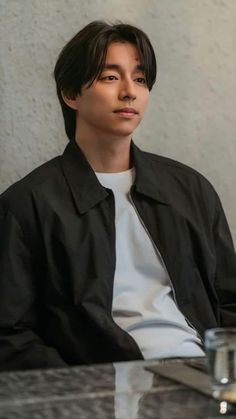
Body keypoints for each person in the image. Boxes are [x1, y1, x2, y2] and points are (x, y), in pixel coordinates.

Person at [0, 21, 236, 372]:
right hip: (103, 385)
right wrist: (83, 388)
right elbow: (10, 334)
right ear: (71, 93)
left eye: (140, 79)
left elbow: (230, 304)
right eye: (111, 77)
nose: (130, 92)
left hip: (201, 375)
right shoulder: (28, 205)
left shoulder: (190, 190)